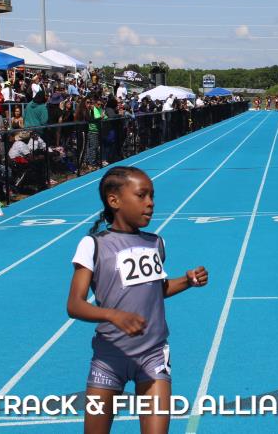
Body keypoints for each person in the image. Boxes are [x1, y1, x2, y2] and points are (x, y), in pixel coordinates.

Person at [66, 167, 208, 434]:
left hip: (153, 354)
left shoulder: (156, 243)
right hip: (110, 357)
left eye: (152, 196)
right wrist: (113, 315)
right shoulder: (93, 245)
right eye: (142, 195)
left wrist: (187, 281)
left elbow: (157, 289)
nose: (150, 203)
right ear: (114, 200)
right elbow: (74, 304)